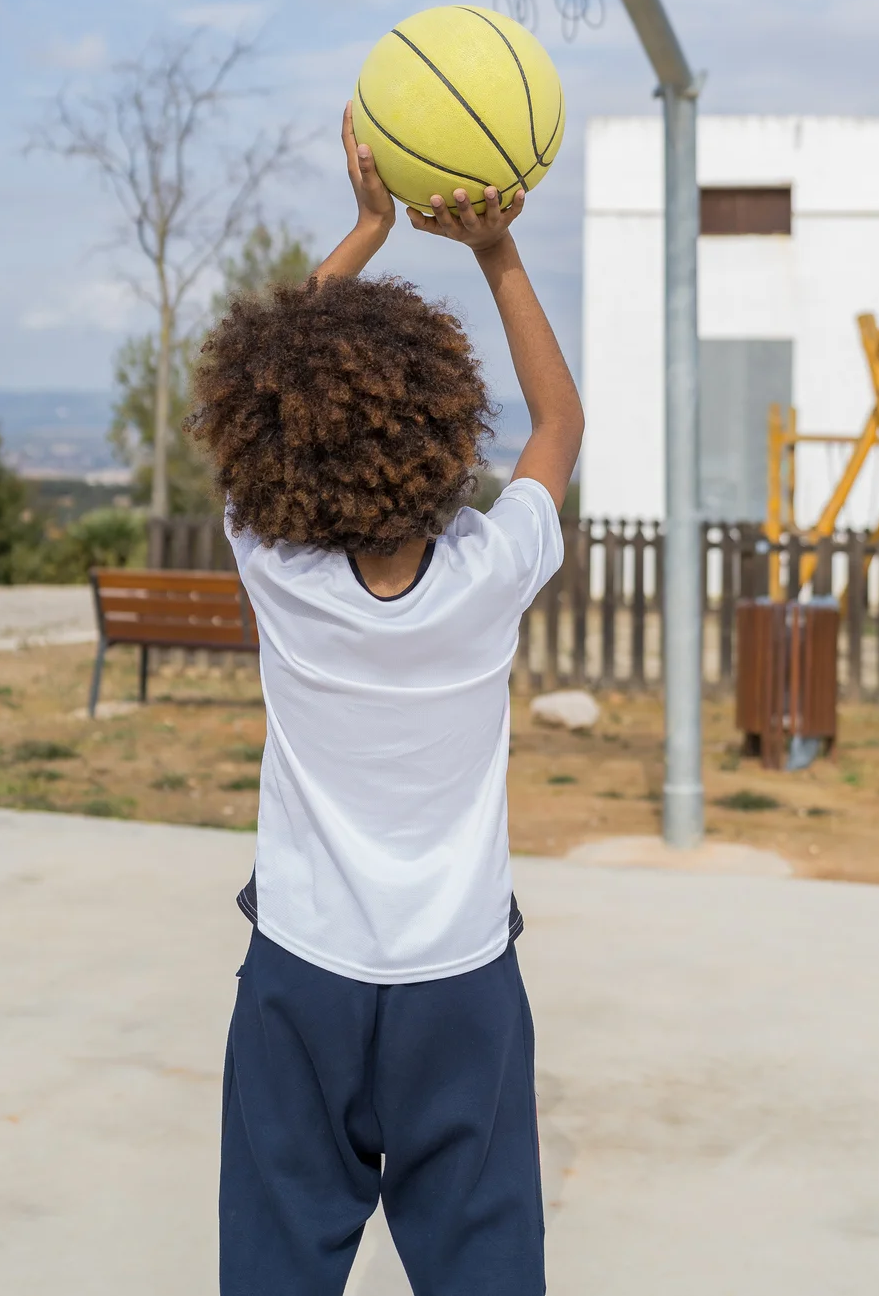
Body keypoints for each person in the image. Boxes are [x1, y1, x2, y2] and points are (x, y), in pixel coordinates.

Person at [183, 106, 584, 1296]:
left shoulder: (275, 563)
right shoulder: (489, 572)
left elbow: (259, 405)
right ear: (449, 429)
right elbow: (558, 423)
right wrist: (494, 248)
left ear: (275, 445)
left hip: (301, 976)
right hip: (459, 985)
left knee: (274, 1267)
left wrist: (365, 230)